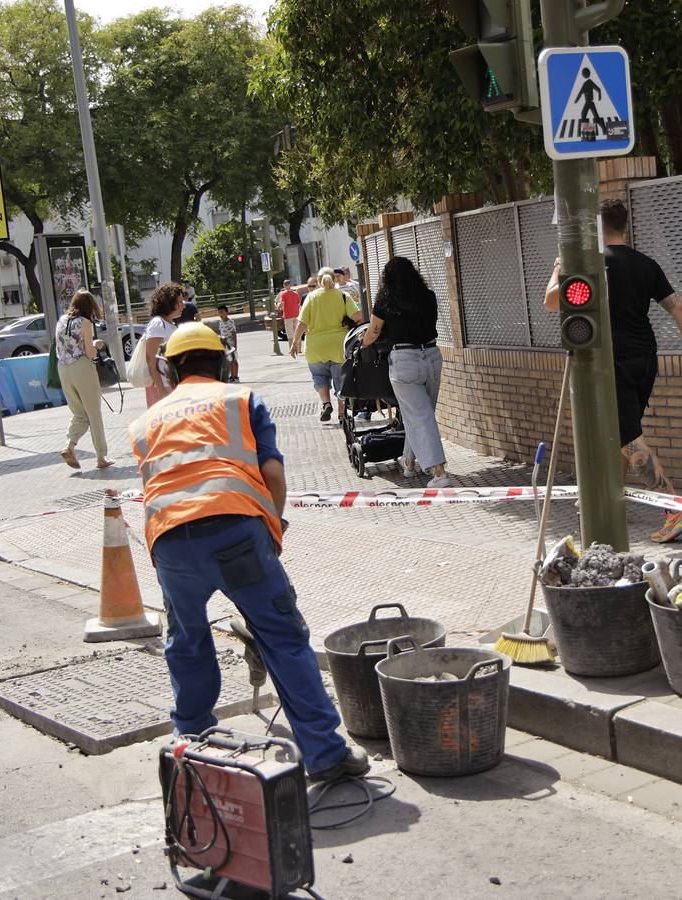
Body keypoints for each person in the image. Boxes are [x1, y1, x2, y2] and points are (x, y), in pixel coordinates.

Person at [129, 323, 368, 782]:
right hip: (237, 533)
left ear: (171, 370)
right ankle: (325, 753)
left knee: (187, 640)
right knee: (283, 637)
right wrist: (273, 528)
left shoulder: (147, 422)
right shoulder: (240, 401)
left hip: (172, 543)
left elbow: (158, 486)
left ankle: (194, 744)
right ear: (223, 363)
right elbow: (272, 474)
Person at [543, 198, 682, 543]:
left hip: (611, 363)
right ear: (623, 226)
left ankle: (676, 507)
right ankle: (610, 506)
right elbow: (677, 308)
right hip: (645, 358)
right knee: (619, 434)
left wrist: (559, 268)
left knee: (626, 438)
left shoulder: (588, 265)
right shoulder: (645, 264)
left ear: (595, 227)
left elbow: (550, 301)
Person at [361, 256, 451, 488]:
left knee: (420, 416)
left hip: (405, 362)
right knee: (421, 414)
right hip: (431, 357)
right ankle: (409, 462)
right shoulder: (428, 297)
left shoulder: (386, 301)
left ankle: (439, 472)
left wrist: (363, 344)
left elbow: (373, 332)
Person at [290, 267, 362, 422]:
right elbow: (358, 318)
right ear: (334, 279)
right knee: (340, 380)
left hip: (316, 346)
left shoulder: (311, 297)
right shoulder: (343, 296)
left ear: (318, 281)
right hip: (339, 345)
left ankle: (326, 403)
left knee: (319, 376)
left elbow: (302, 323)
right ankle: (342, 412)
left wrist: (295, 342)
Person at [55, 289, 113, 470]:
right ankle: (101, 457)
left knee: (79, 413)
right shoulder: (85, 323)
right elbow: (89, 353)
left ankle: (69, 446)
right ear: (90, 306)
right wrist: (96, 344)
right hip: (81, 368)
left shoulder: (62, 320)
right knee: (93, 413)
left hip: (63, 369)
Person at [141, 282, 188, 406]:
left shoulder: (169, 324)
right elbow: (150, 358)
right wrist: (160, 389)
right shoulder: (158, 323)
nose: (183, 305)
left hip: (172, 384)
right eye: (180, 302)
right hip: (163, 386)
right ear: (169, 303)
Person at [215, 305, 239, 382]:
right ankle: (231, 376)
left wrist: (235, 345)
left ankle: (235, 376)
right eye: (219, 313)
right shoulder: (220, 322)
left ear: (226, 312)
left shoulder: (230, 321)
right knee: (228, 361)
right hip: (224, 344)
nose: (221, 314)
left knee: (234, 360)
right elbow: (221, 333)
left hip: (231, 344)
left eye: (222, 312)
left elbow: (234, 333)